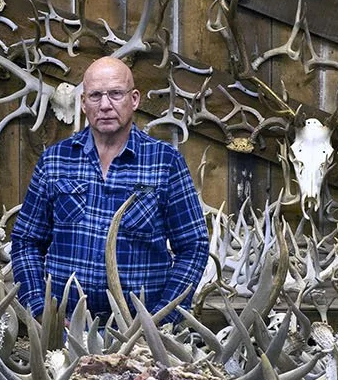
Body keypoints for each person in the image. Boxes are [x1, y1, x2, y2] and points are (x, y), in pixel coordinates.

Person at [11, 56, 208, 321]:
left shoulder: (165, 162)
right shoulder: (55, 161)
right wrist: (39, 311)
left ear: (134, 99)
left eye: (116, 94)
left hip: (140, 330)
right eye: (95, 96)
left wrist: (162, 319)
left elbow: (193, 246)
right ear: (83, 103)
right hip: (64, 327)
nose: (105, 105)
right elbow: (26, 241)